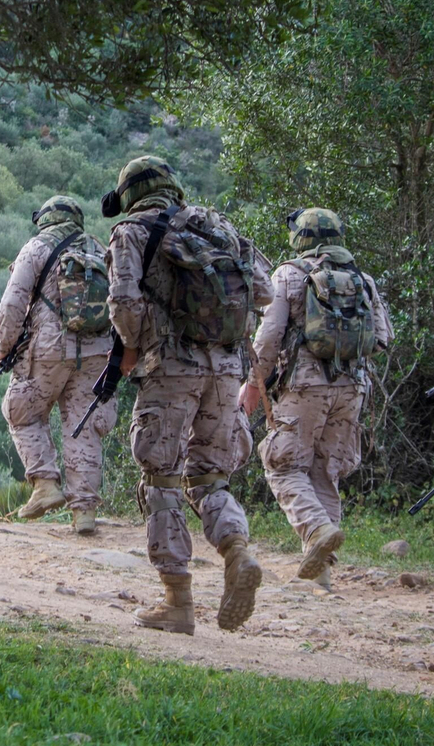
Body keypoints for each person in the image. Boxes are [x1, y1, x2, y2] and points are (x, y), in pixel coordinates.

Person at [103, 156, 273, 634]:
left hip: (170, 367)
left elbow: (123, 301)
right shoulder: (218, 226)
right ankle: (237, 551)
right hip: (224, 367)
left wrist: (134, 347)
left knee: (161, 478)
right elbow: (264, 289)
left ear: (131, 195)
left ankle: (177, 600)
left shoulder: (131, 232)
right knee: (211, 478)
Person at [246, 208, 392, 587]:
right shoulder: (363, 279)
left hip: (304, 386)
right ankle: (320, 574)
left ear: (301, 238)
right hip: (353, 387)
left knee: (282, 465)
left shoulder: (290, 274)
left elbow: (268, 339)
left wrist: (253, 383)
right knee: (325, 472)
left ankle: (314, 532)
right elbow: (382, 339)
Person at [0, 195, 116, 534]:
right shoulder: (98, 249)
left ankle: (45, 483)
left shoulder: (35, 249)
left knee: (21, 411)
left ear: (45, 220)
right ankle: (85, 512)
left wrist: (4, 347)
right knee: (84, 425)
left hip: (48, 349)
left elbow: (12, 304)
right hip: (97, 352)